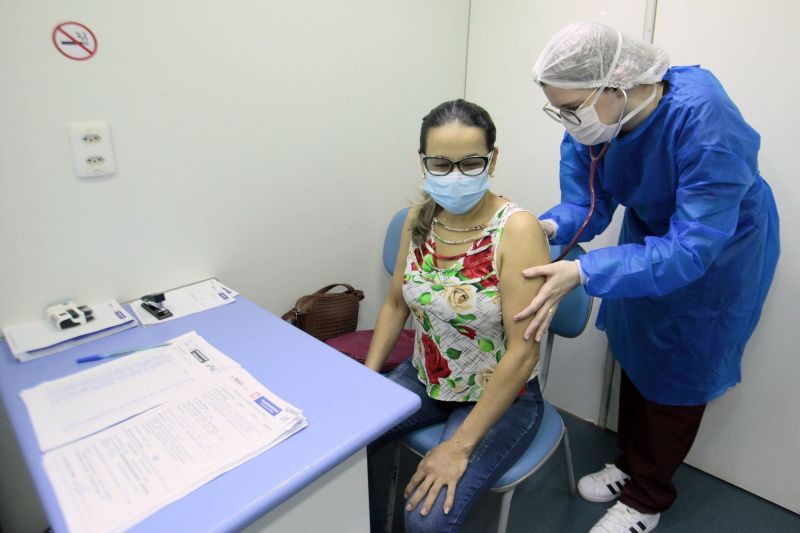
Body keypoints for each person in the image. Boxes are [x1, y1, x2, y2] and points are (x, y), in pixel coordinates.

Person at [516, 22, 780, 533]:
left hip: (718, 251)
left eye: (572, 107)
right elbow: (586, 203)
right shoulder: (594, 123)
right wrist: (546, 226)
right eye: (559, 109)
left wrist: (586, 269)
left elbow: (692, 246)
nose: (568, 121)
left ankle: (647, 498)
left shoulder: (705, 120)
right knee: (637, 353)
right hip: (649, 240)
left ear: (619, 85)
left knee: (679, 375)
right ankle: (630, 467)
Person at [364, 99, 551, 532]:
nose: (454, 176)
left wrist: (459, 447)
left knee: (425, 519)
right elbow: (396, 304)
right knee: (342, 446)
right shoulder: (419, 219)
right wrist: (368, 381)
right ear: (423, 163)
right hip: (425, 377)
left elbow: (523, 354)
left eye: (470, 163)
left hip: (501, 395)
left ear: (493, 159)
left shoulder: (517, 230)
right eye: (440, 164)